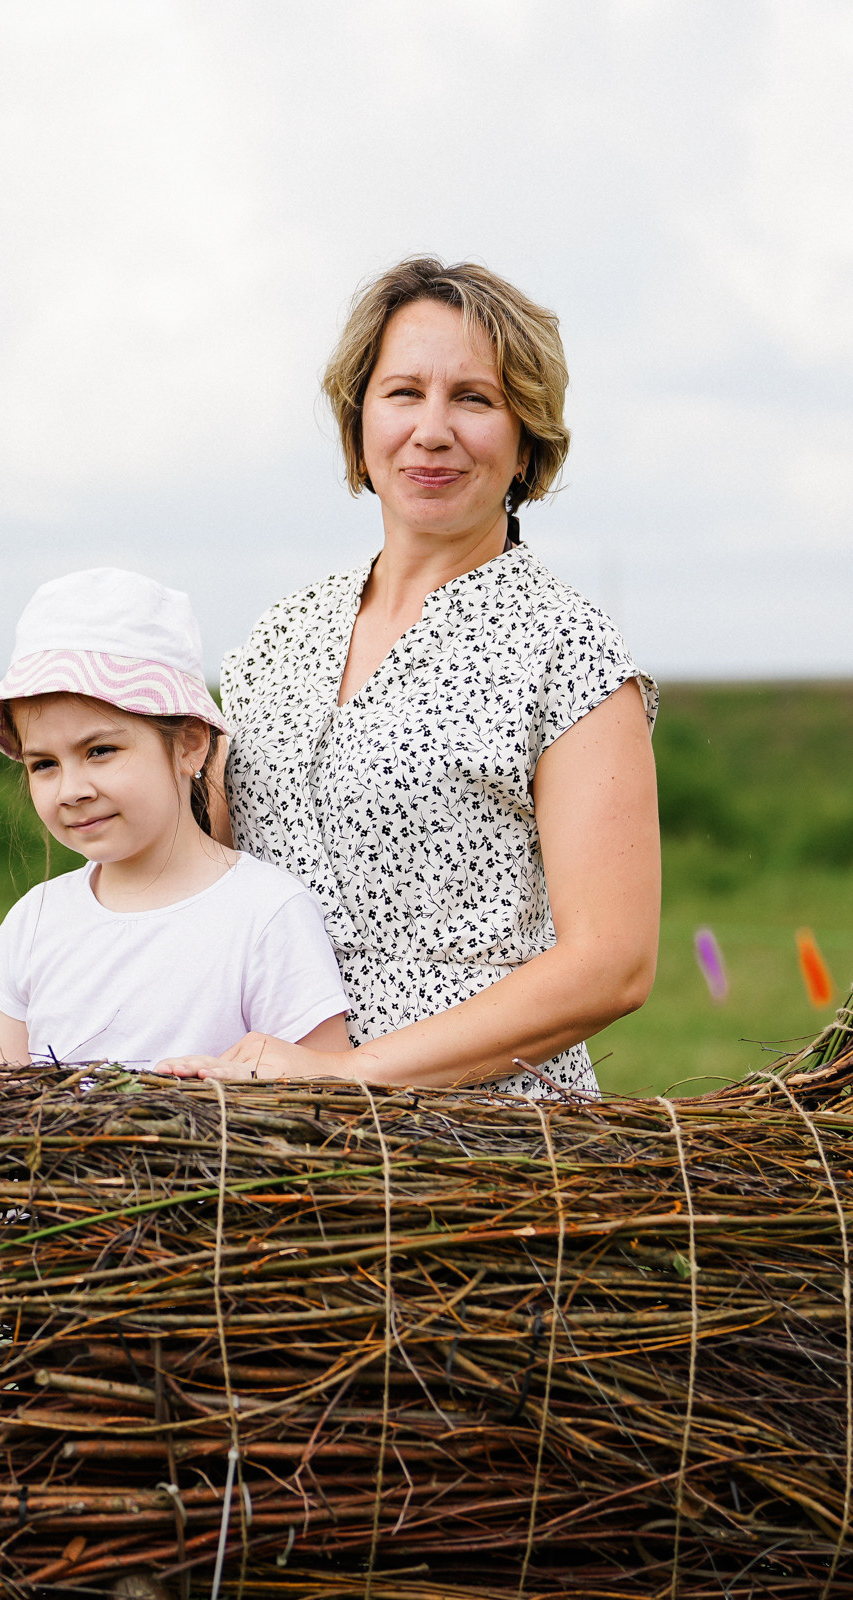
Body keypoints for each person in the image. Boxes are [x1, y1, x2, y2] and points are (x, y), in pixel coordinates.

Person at [158, 256, 660, 1098]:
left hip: (488, 1139)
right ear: (359, 421)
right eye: (403, 394)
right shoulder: (272, 642)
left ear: (527, 435)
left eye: (474, 398)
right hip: (271, 1128)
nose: (433, 430)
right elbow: (196, 882)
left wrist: (351, 1076)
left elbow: (611, 965)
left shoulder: (568, 647)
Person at [0, 569, 352, 1072]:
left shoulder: (266, 915)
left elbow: (328, 1094)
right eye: (44, 764)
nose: (72, 790)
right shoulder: (35, 921)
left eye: (100, 750)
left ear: (189, 744)